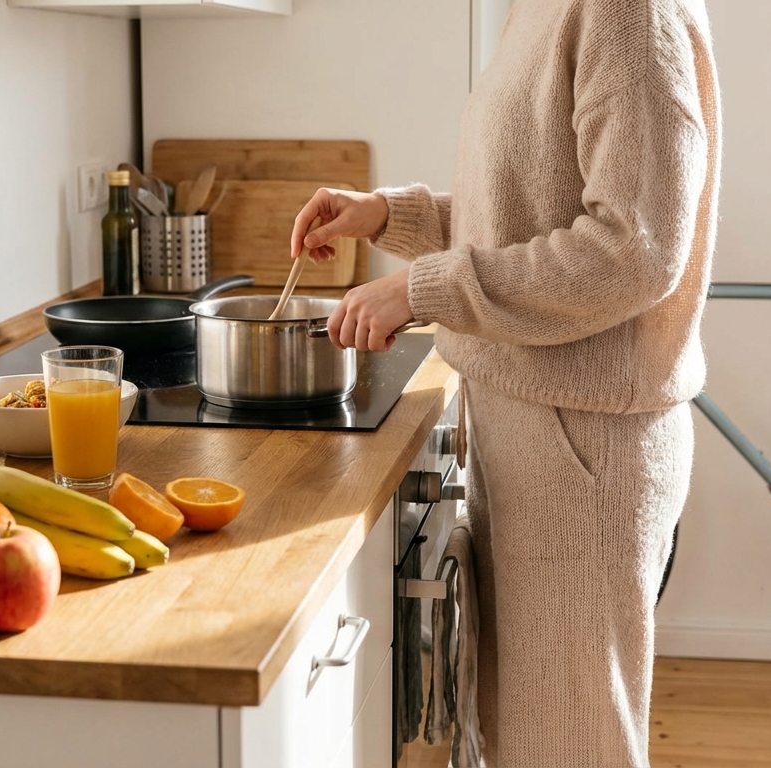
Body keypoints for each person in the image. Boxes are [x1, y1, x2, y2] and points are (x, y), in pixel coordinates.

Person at [290, 0, 720, 765]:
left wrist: (424, 290)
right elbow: (525, 210)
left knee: (570, 745)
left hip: (584, 448)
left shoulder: (626, 11)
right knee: (526, 738)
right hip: (535, 426)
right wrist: (387, 215)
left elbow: (633, 250)